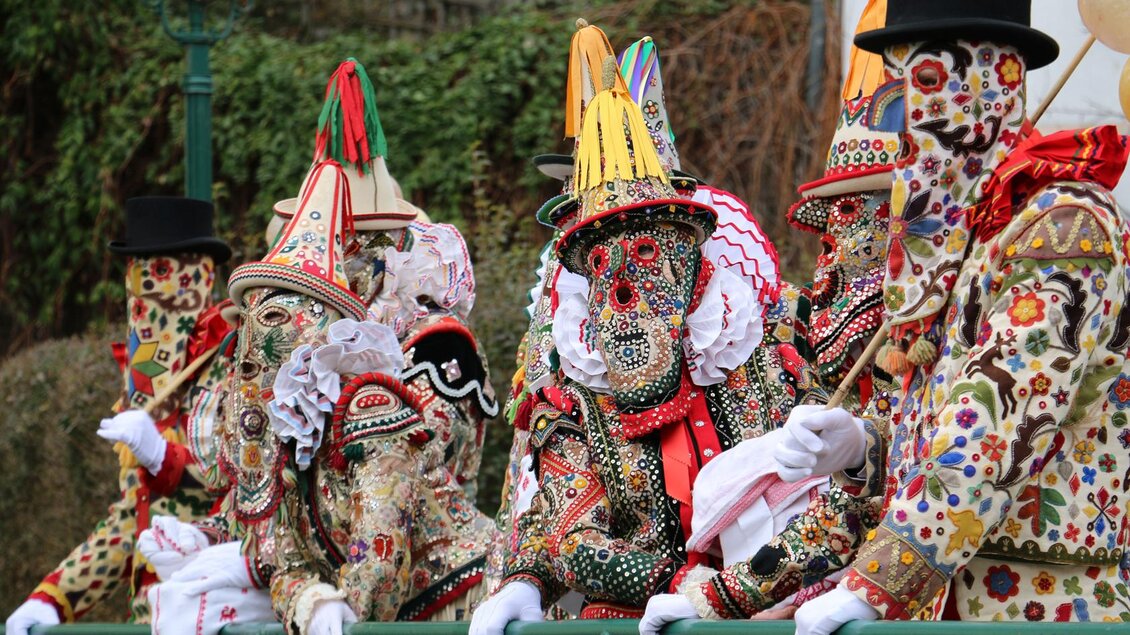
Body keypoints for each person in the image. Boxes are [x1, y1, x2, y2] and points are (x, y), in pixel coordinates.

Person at [778, 1, 1130, 631]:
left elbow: (996, 427)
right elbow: (937, 436)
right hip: (943, 613)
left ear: (994, 83)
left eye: (930, 83)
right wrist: (864, 450)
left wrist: (876, 585)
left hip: (1038, 613)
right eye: (906, 84)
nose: (912, 121)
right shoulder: (956, 244)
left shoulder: (1063, 226)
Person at [5, 197, 232, 634]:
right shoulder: (142, 393)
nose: (148, 306)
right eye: (138, 279)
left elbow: (245, 486)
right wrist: (54, 598)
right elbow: (132, 519)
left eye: (162, 274)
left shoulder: (232, 370)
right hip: (152, 619)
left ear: (199, 277)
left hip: (220, 616)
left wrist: (163, 457)